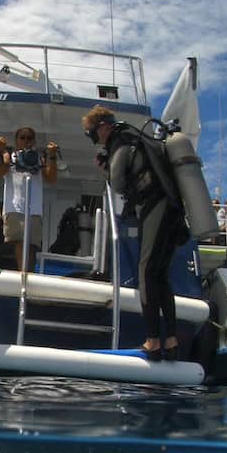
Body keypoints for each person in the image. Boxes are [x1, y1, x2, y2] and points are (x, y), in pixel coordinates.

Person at [83, 105, 186, 361]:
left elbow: (118, 182)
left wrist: (107, 169)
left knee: (146, 272)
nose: (95, 140)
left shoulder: (121, 140)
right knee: (160, 275)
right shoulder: (135, 137)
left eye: (93, 134)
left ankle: (152, 340)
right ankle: (171, 341)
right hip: (172, 208)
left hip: (155, 204)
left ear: (103, 127)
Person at [0, 126, 58, 271]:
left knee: (32, 245)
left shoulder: (39, 159)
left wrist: (52, 156)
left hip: (34, 209)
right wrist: (2, 152)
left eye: (29, 138)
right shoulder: (9, 156)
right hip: (15, 207)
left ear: (33, 141)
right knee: (20, 242)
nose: (26, 140)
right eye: (22, 137)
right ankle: (22, 274)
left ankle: (28, 274)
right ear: (16, 141)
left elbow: (51, 178)